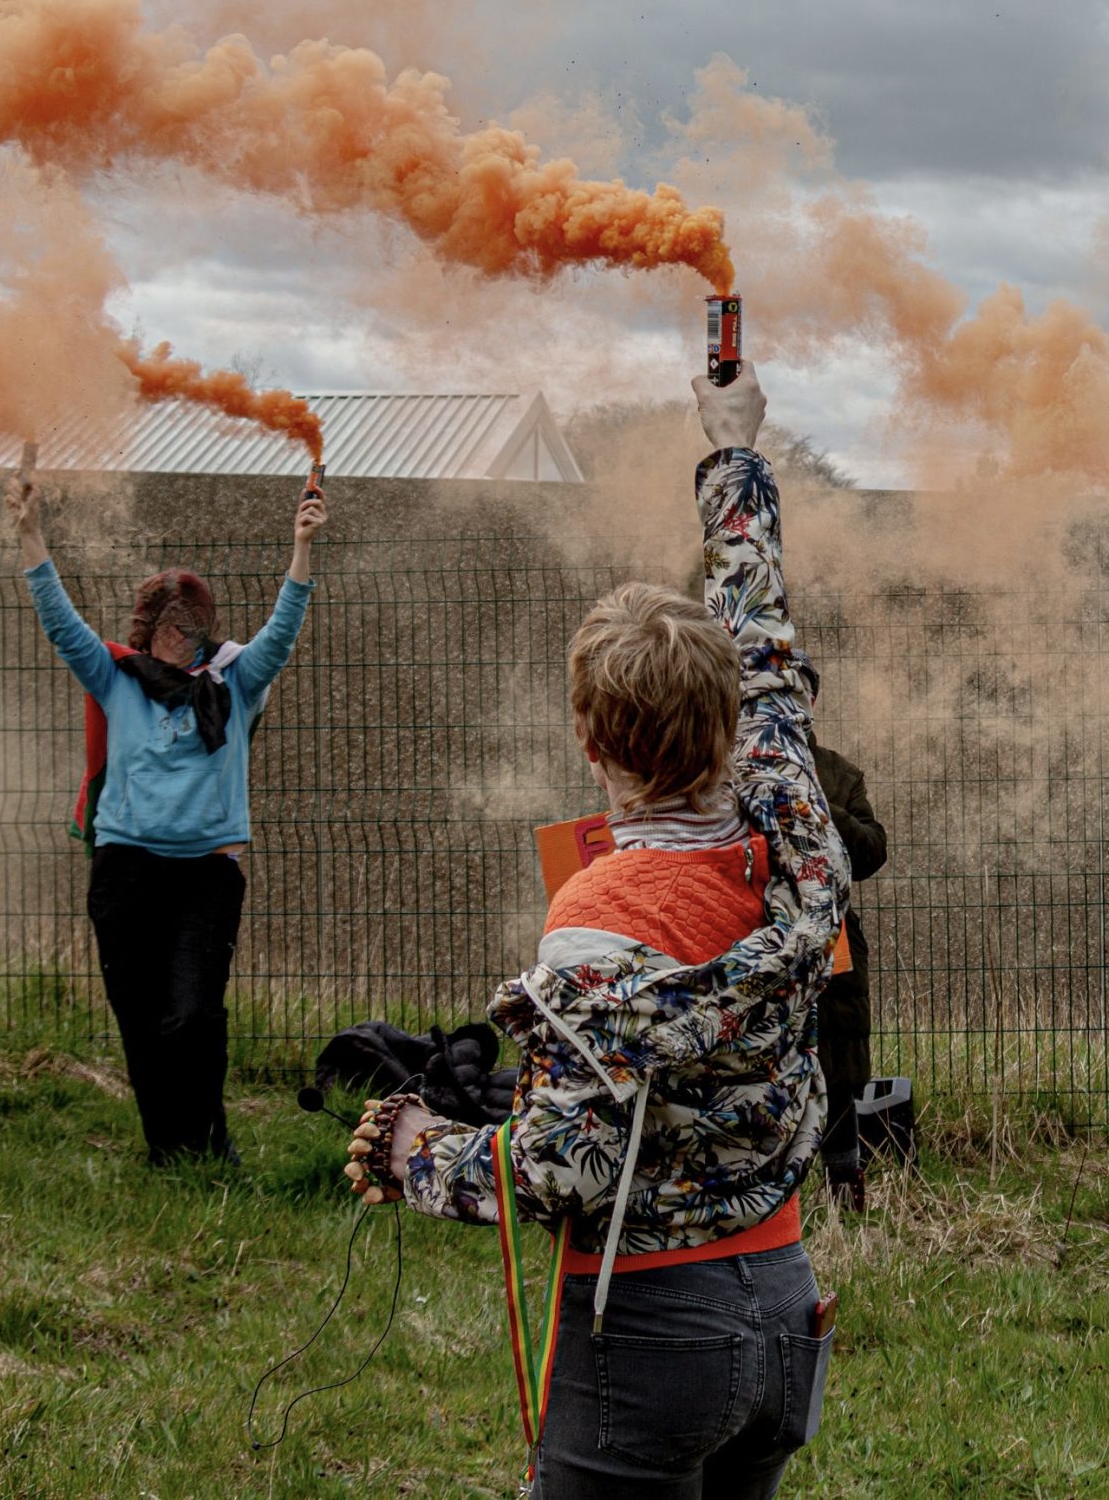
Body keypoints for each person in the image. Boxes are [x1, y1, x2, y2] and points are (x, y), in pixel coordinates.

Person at [347, 364, 847, 1499]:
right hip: (779, 1310)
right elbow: (759, 621)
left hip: (653, 1342)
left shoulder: (598, 929)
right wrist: (731, 448)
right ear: (730, 715)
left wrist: (417, 1150)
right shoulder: (795, 826)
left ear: (589, 737)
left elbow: (559, 1172)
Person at [7, 465, 325, 1167]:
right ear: (148, 628)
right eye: (171, 623)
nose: (184, 635)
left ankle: (209, 1137)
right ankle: (170, 1151)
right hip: (125, 872)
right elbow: (60, 622)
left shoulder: (237, 681)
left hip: (207, 875)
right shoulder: (113, 675)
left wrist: (301, 547)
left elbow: (284, 627)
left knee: (195, 1014)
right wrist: (31, 535)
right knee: (143, 1020)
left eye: (195, 623)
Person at [811, 737, 887, 1211]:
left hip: (829, 931)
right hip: (743, 927)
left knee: (837, 1067)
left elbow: (871, 853)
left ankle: (843, 1194)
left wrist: (818, 808)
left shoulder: (838, 773)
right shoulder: (715, 759)